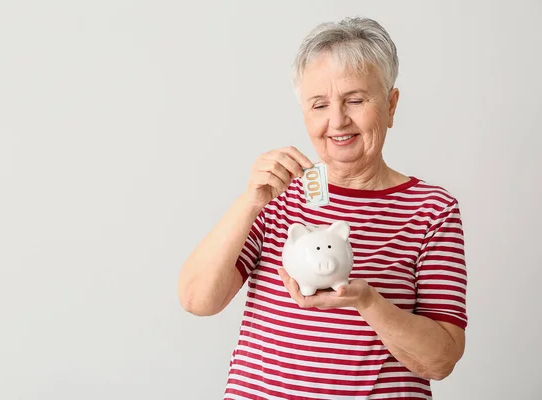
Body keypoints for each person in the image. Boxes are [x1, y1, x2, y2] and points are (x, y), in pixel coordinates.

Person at [178, 16, 467, 400]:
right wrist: (250, 200)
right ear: (304, 112)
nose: (337, 121)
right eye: (319, 105)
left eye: (356, 100)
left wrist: (366, 300)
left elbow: (440, 360)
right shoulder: (276, 195)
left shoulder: (432, 209)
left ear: (391, 105)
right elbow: (198, 300)